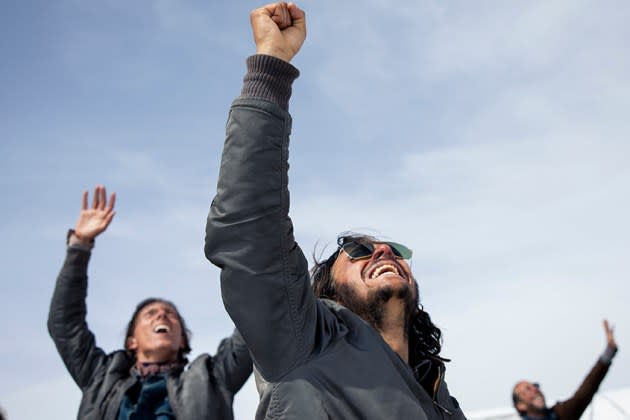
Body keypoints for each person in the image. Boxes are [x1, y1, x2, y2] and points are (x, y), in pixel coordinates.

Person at [204, 2, 465, 419]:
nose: (383, 252)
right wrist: (270, 67)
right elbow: (248, 229)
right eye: (358, 250)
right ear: (323, 290)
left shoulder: (440, 396)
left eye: (392, 248)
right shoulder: (305, 340)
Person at [48, 185, 252, 420]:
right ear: (131, 341)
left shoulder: (211, 379)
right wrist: (80, 245)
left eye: (170, 314)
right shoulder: (100, 380)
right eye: (150, 313)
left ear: (183, 339)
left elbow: (252, 325)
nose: (162, 316)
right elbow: (65, 325)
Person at [512, 320, 619, 419]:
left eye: (535, 386)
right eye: (527, 390)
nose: (535, 390)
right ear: (520, 406)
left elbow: (585, 392)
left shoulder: (560, 414)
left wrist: (608, 352)